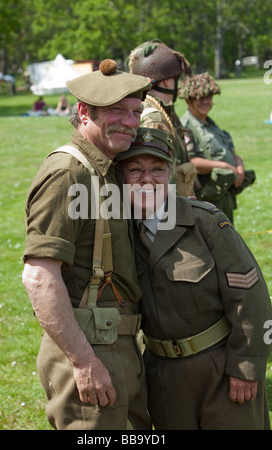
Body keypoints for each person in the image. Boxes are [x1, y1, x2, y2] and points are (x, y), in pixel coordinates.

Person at [21, 59, 152, 430]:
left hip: (121, 344)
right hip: (92, 349)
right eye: (116, 111)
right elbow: (39, 277)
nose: (130, 121)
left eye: (135, 112)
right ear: (82, 112)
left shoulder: (107, 168)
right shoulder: (69, 172)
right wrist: (83, 363)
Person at [116, 126, 272, 430]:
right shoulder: (121, 235)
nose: (147, 179)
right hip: (163, 378)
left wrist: (246, 367)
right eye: (135, 170)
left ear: (171, 174)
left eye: (157, 169)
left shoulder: (206, 223)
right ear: (121, 178)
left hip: (221, 370)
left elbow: (252, 299)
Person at [179, 72, 255, 222]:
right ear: (188, 101)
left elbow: (230, 151)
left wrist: (239, 166)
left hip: (223, 193)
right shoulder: (186, 127)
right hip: (208, 197)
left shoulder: (211, 124)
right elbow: (190, 162)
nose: (205, 101)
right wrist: (225, 166)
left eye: (208, 96)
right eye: (199, 97)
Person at [127, 39, 197, 197]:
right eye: (176, 79)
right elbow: (155, 176)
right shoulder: (155, 118)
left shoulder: (164, 111)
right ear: (166, 82)